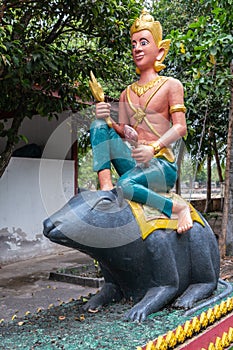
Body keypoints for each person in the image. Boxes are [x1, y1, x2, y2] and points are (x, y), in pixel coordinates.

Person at [90, 9, 193, 234]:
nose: (137, 48)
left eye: (143, 42)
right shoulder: (127, 93)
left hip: (161, 165)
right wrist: (106, 117)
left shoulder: (171, 85)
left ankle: (178, 208)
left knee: (125, 186)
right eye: (134, 44)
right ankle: (105, 188)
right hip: (135, 162)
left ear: (160, 51)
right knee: (97, 125)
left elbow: (180, 127)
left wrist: (153, 148)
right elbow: (123, 131)